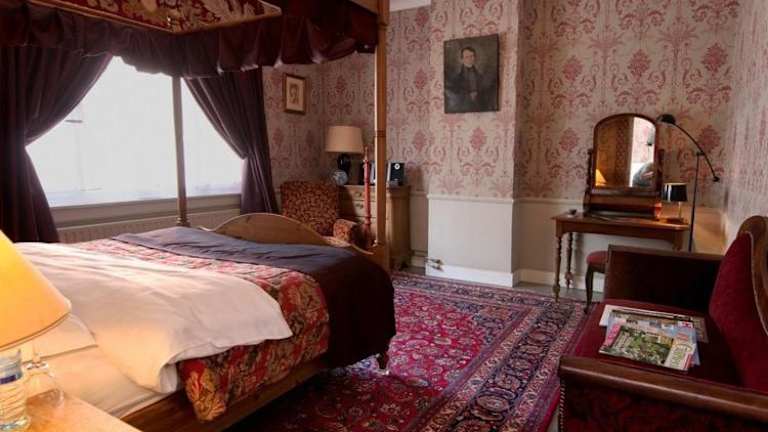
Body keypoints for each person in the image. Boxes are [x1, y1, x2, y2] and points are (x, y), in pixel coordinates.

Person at [445, 46, 496, 112]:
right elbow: (454, 94)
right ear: (462, 59)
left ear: (474, 58)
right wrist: (468, 96)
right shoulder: (456, 78)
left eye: (471, 56)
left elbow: (485, 93)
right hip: (463, 106)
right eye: (467, 57)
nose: (470, 59)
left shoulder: (480, 77)